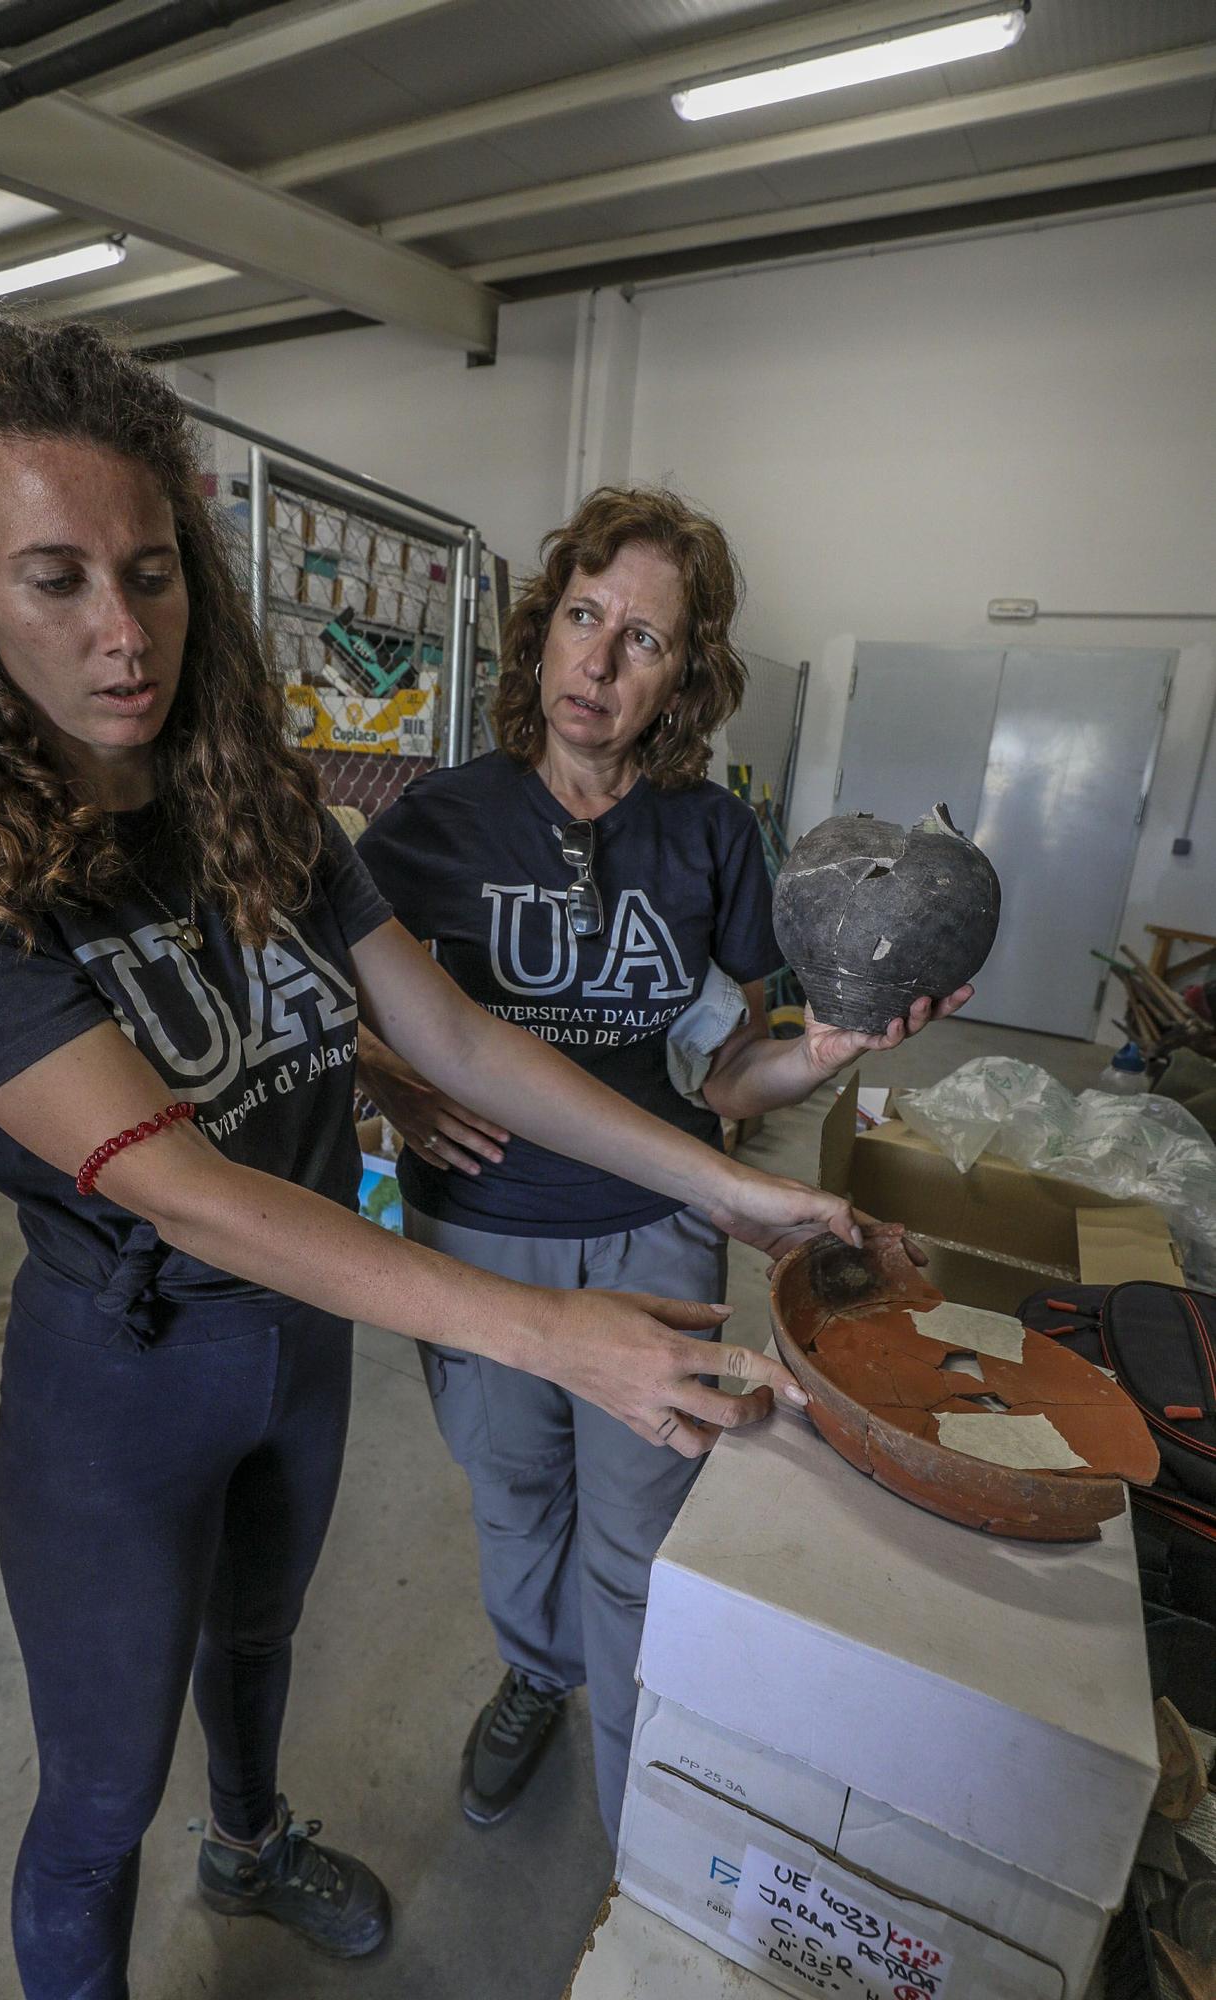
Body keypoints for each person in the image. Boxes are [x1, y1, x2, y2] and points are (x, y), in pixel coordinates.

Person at [0, 325, 871, 2000]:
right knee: (103, 1789)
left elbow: (470, 1044)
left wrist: (733, 1186)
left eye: (149, 572)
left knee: (256, 1639)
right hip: (124, 1370)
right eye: (54, 581)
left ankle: (253, 1851)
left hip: (299, 1342)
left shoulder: (246, 791)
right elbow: (173, 1175)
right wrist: (544, 1328)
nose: (122, 634)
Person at [356, 487, 970, 1843]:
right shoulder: (433, 827)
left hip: (654, 1230)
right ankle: (534, 1674)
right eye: (582, 617)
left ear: (682, 679)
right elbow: (341, 998)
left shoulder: (707, 838)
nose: (597, 662)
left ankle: (642, 1796)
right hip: (480, 1237)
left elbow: (721, 1076)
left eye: (642, 641)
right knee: (514, 1500)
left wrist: (827, 1051)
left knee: (639, 1529)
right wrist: (375, 1075)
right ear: (537, 633)